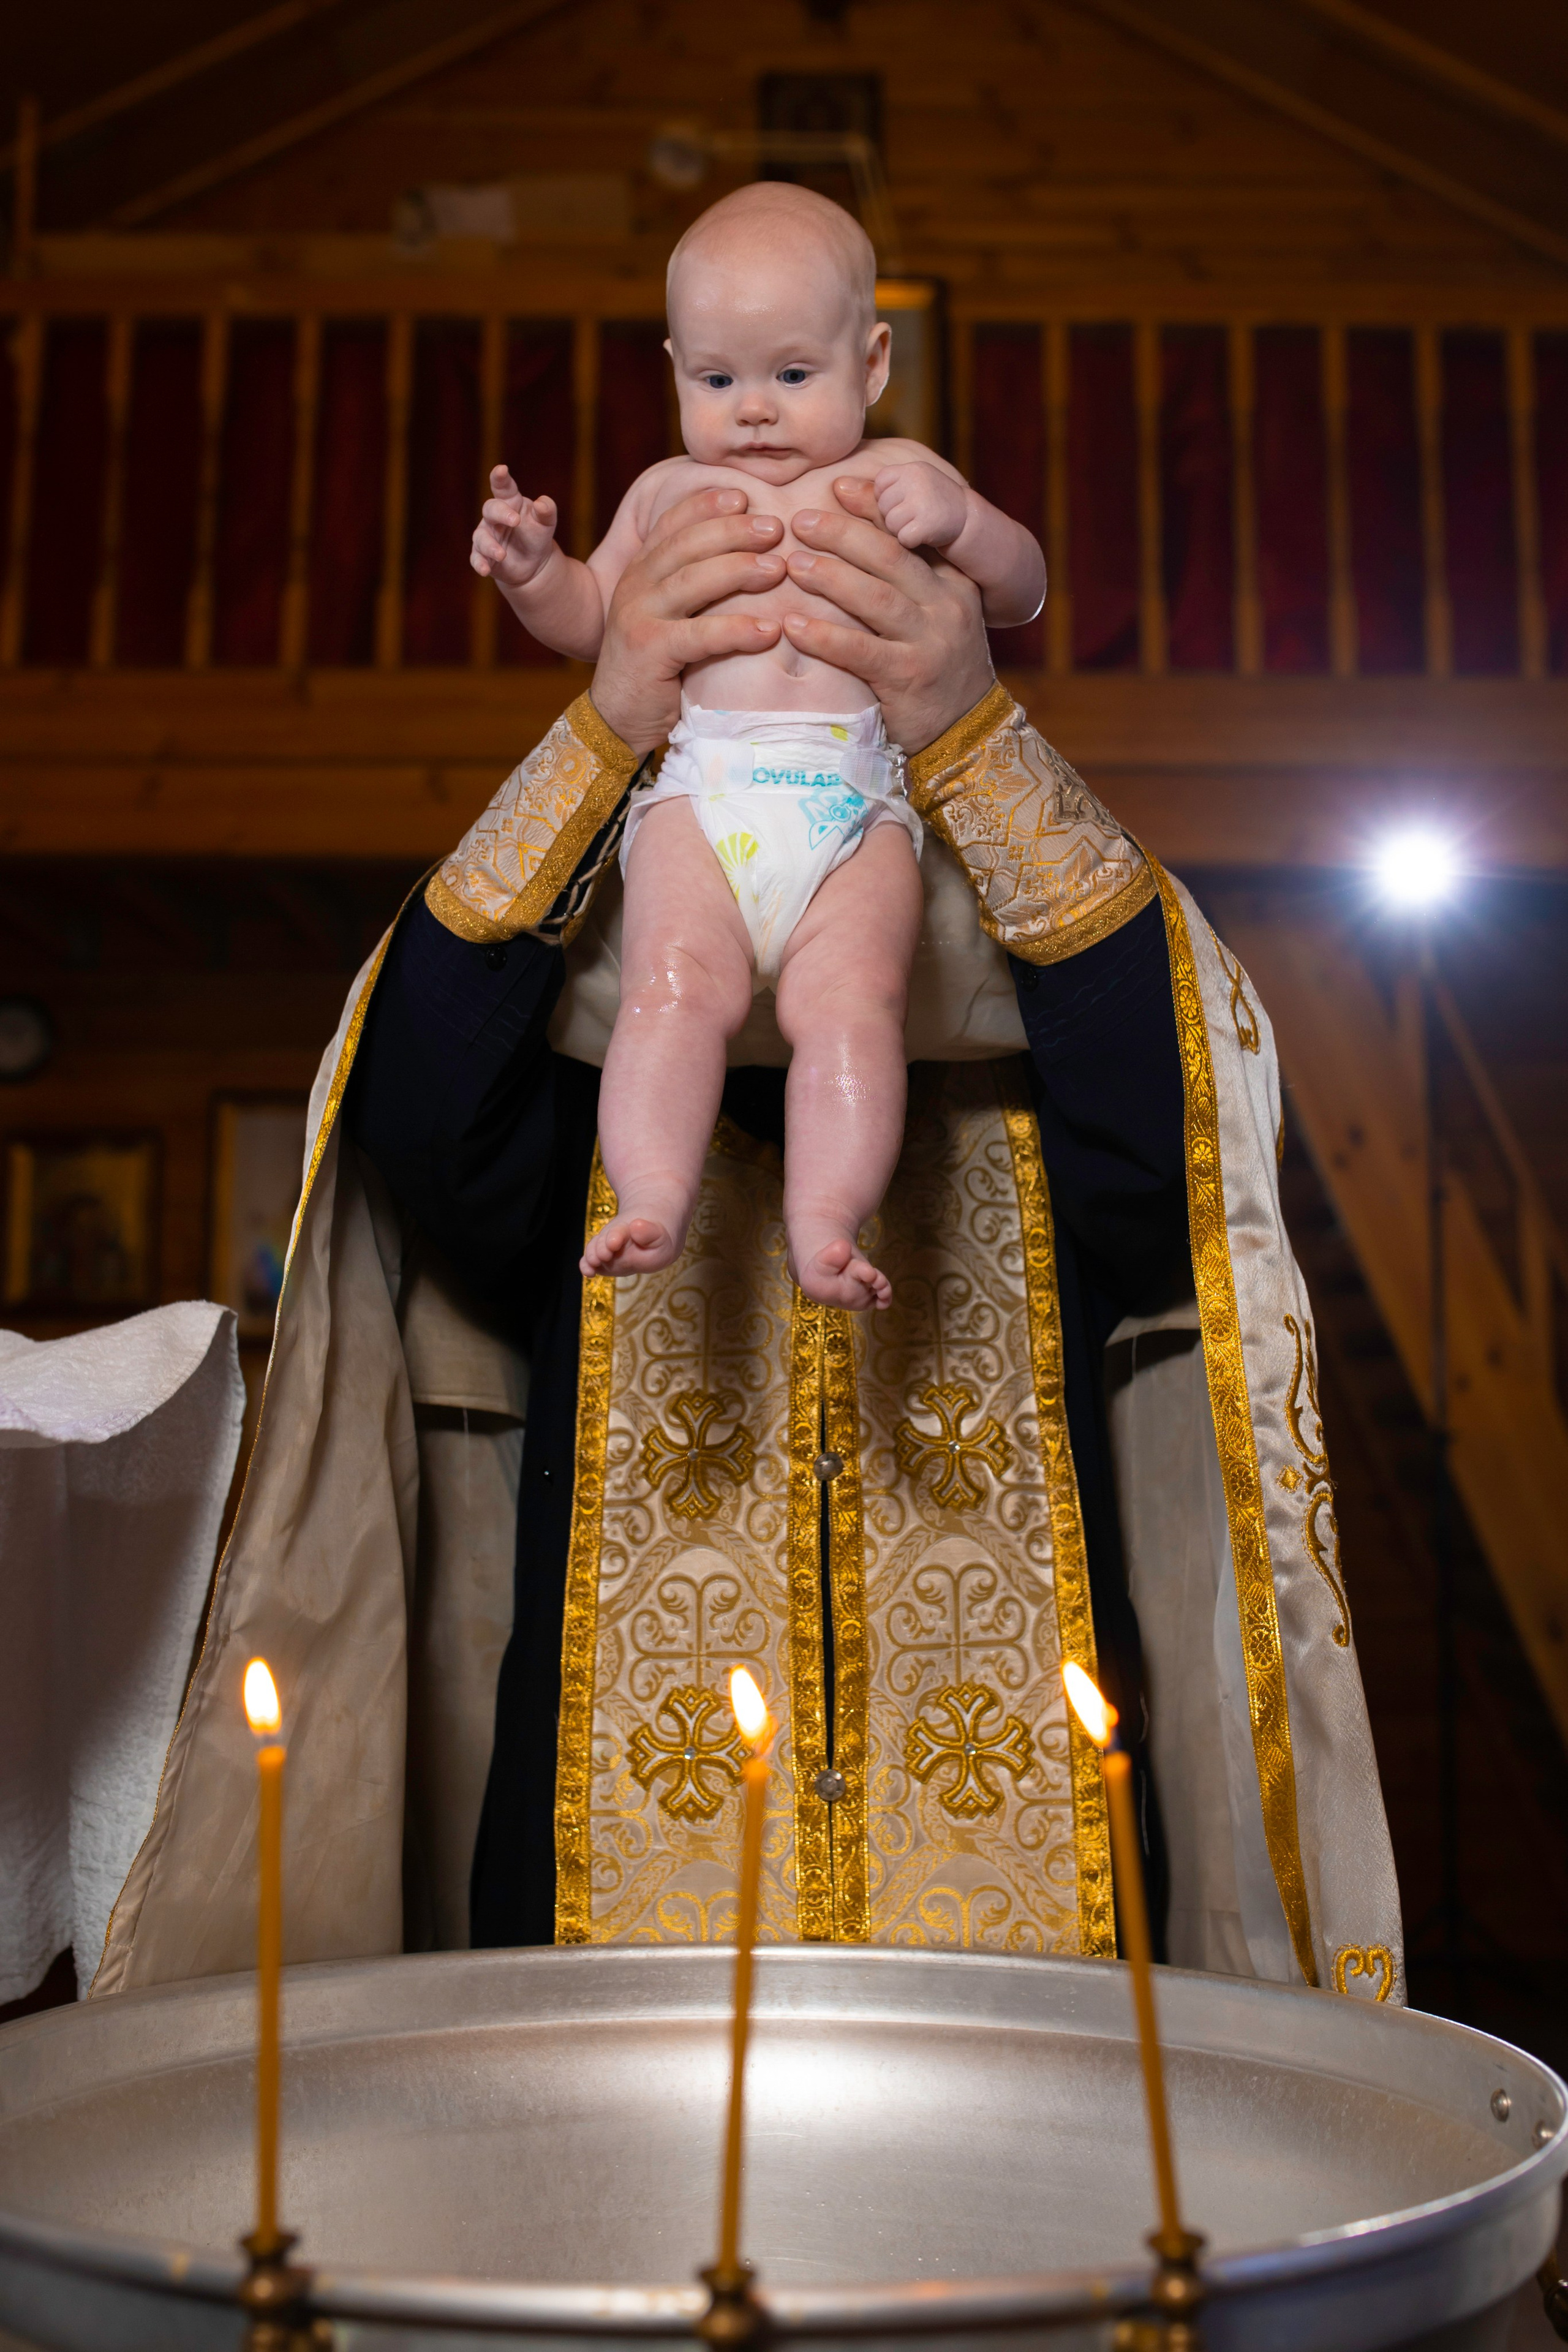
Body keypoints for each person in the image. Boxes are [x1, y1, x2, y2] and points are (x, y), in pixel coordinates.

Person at [91, 482, 1404, 2002]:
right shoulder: (588, 1113)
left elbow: (1190, 1159)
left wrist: (966, 724)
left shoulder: (1034, 1087)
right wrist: (606, 722)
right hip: (605, 1910)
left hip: (1027, 1930)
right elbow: (414, 1112)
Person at [471, 184, 1043, 1310]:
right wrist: (538, 573)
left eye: (793, 375)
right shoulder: (665, 492)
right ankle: (650, 1195)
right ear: (676, 366)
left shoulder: (898, 475)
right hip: (703, 788)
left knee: (851, 1005)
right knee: (670, 990)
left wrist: (966, 523)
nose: (757, 412)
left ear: (871, 365)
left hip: (853, 802)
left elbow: (1023, 589)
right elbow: (594, 622)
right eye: (718, 380)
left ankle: (827, 1219)